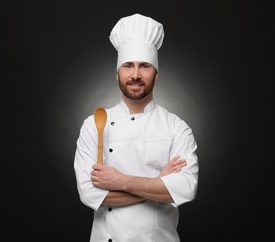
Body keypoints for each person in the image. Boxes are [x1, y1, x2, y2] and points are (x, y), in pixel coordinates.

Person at [74, 13, 199, 242]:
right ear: (117, 73)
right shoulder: (94, 125)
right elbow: (90, 193)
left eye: (145, 66)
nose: (135, 75)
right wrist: (159, 183)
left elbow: (185, 188)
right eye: (128, 66)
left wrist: (120, 181)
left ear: (157, 74)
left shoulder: (177, 128)